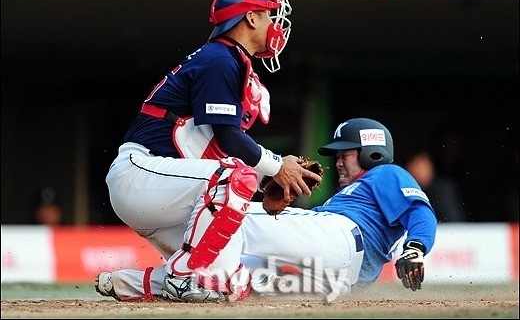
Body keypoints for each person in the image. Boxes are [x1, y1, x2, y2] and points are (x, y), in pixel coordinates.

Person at [96, 0, 322, 303]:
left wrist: (264, 184)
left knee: (230, 284)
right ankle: (183, 274)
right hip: (139, 173)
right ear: (252, 18)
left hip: (167, 188)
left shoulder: (229, 61)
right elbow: (229, 141)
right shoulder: (220, 59)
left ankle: (132, 283)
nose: (275, 25)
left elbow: (217, 152)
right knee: (234, 178)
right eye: (270, 15)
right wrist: (276, 166)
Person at [96, 118, 437, 303]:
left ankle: (172, 262)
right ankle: (133, 283)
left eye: (346, 153)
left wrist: (416, 248)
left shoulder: (386, 173)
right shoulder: (346, 196)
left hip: (340, 239)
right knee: (230, 279)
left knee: (223, 207)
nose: (338, 160)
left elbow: (420, 213)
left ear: (371, 154)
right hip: (339, 281)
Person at [405, 150, 466, 222]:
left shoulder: (443, 189)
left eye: (424, 166)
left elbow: (453, 219)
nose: (420, 171)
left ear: (431, 168)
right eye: (416, 165)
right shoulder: (404, 191)